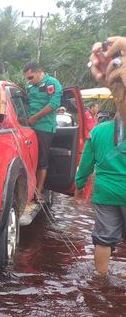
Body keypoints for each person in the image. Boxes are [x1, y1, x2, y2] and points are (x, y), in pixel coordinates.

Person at [75, 36, 126, 276]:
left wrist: (78, 184)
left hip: (106, 192)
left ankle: (102, 279)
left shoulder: (99, 132)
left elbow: (86, 164)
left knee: (104, 239)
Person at [23, 62, 63, 203]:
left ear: (39, 72)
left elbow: (53, 105)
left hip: (44, 128)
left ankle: (39, 192)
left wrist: (34, 118)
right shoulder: (31, 87)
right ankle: (29, 189)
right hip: (28, 128)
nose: (29, 80)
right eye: (27, 78)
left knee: (41, 161)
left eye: (31, 77)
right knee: (30, 159)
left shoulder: (52, 84)